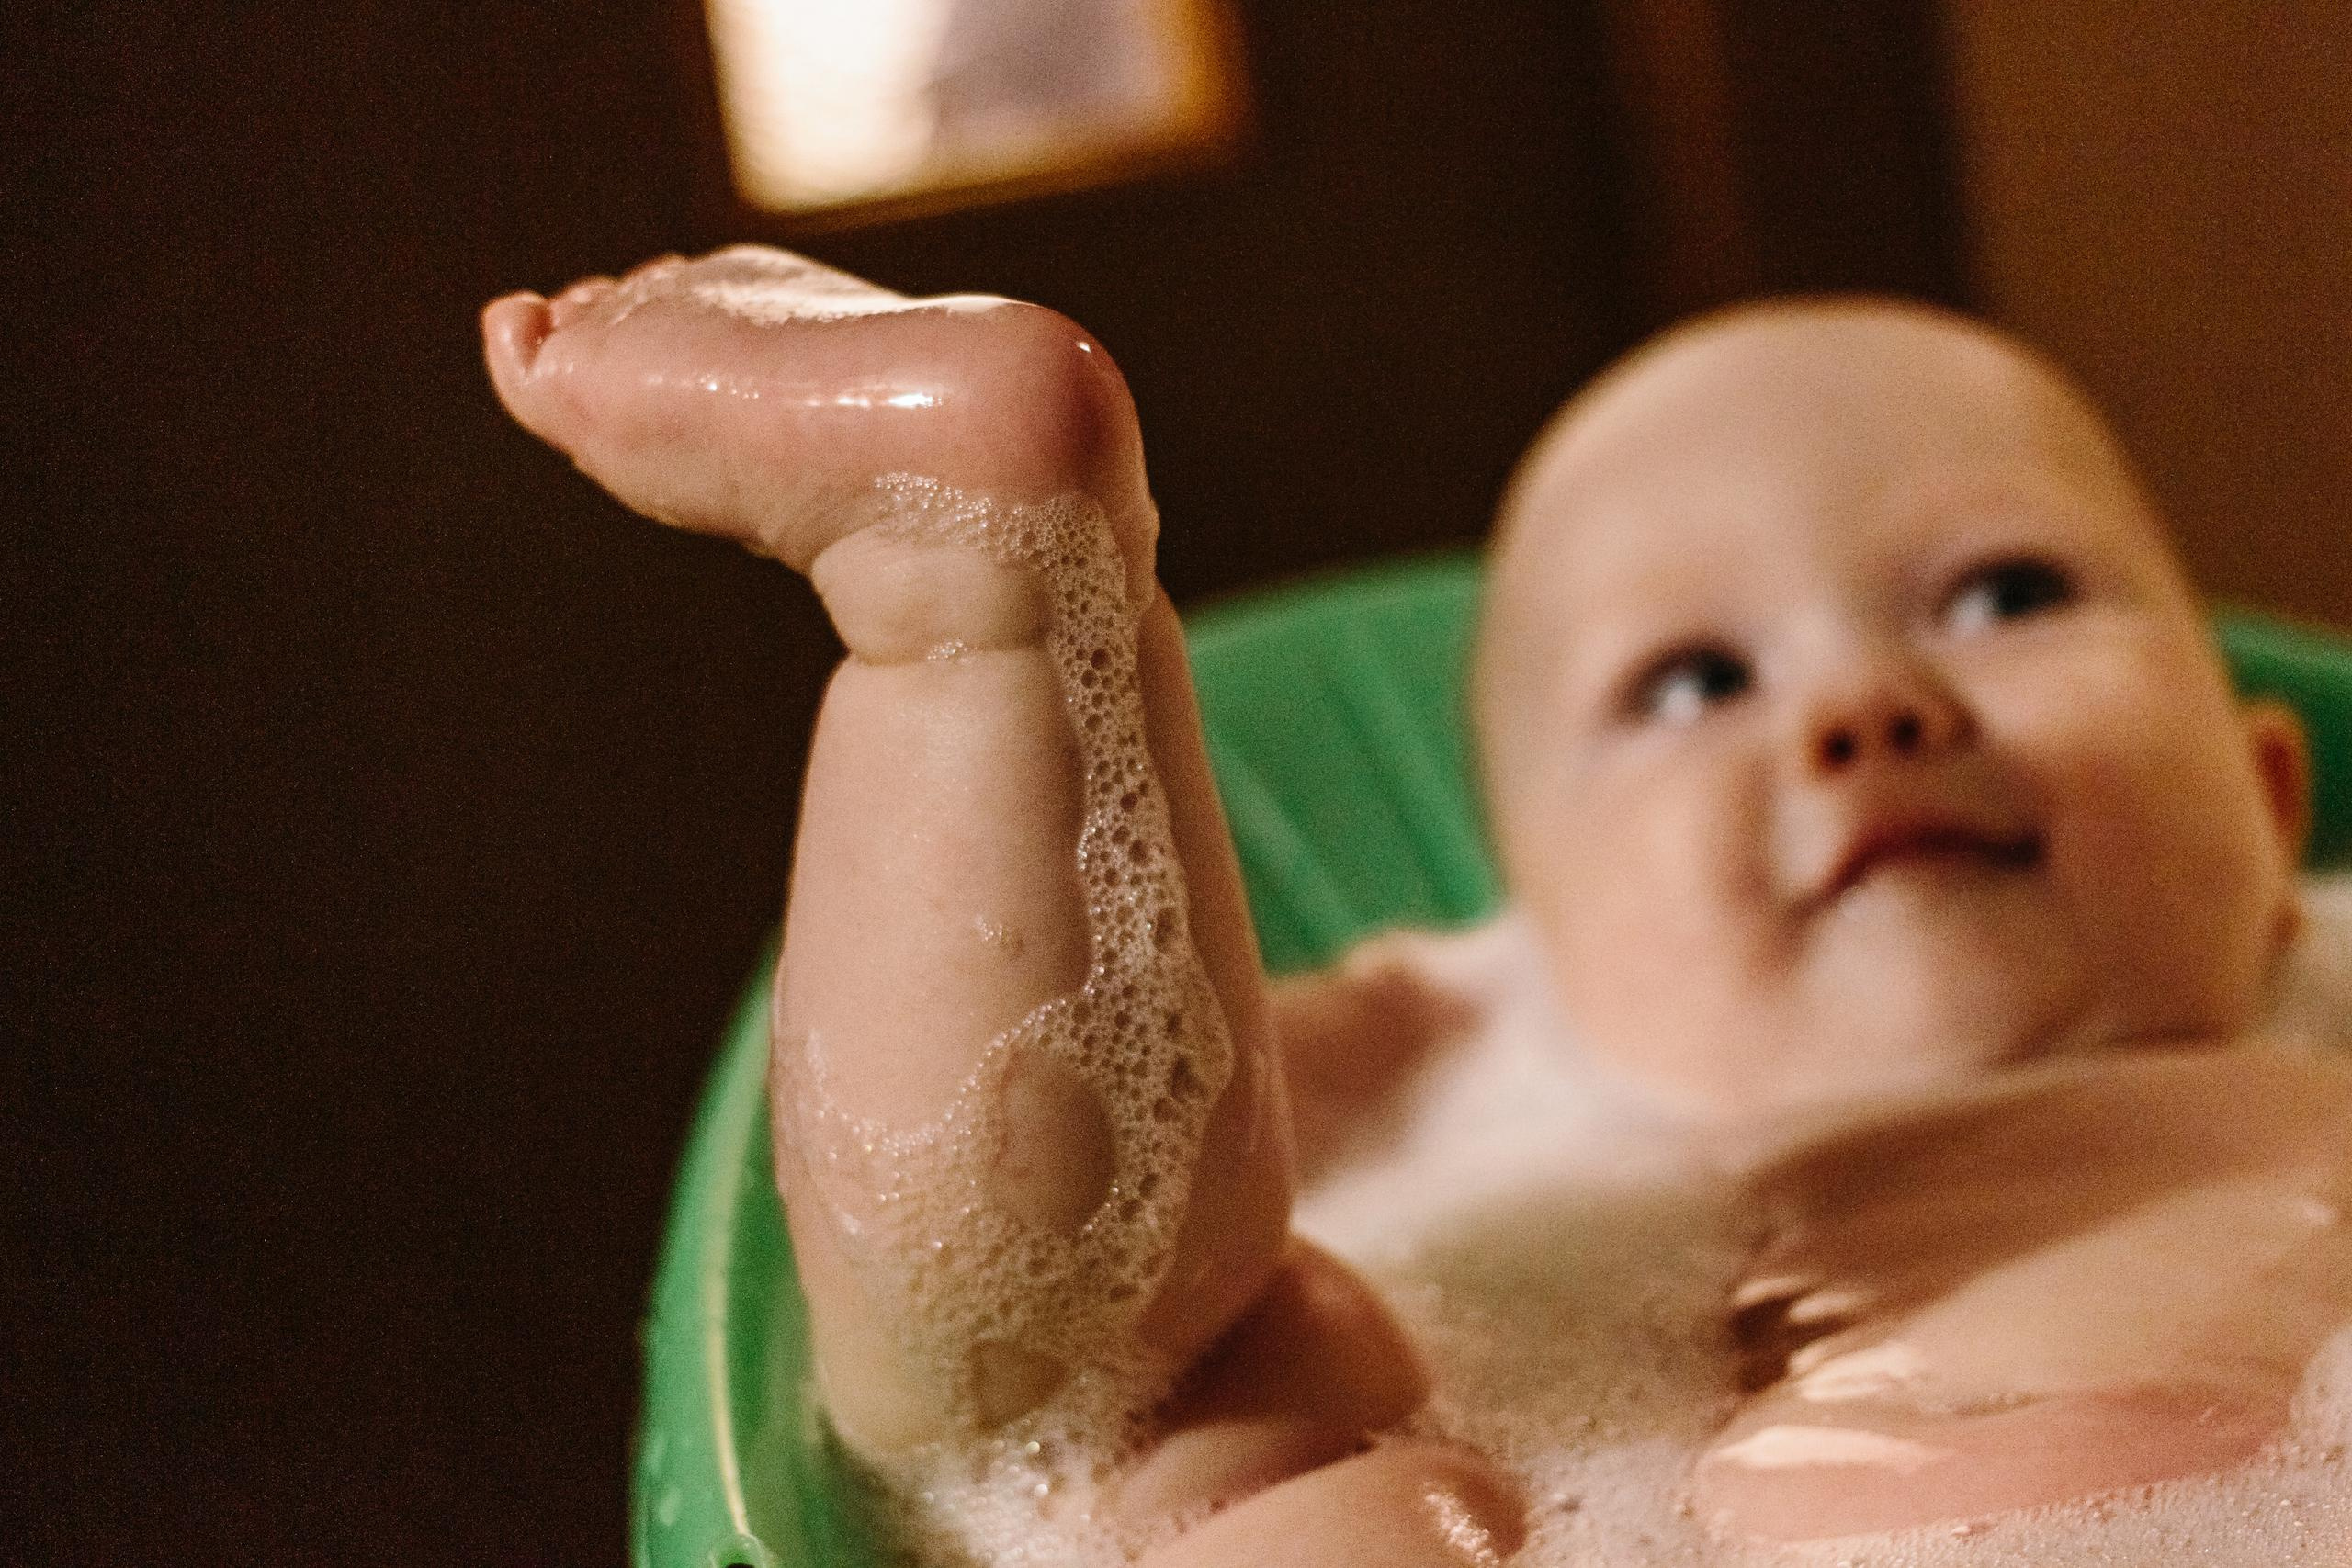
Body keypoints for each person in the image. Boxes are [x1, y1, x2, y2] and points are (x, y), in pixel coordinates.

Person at [481, 246, 2349, 1564]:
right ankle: (984, 598)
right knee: (1171, 1391)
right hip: (1503, 1514)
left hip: (2177, 1488)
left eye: (2001, 592)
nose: (1864, 709)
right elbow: (1042, 1291)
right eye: (1690, 684)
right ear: (1532, 903)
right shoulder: (1463, 1027)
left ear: (2269, 803)